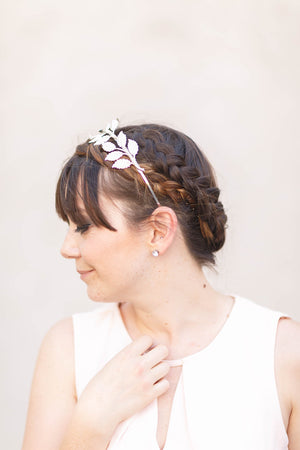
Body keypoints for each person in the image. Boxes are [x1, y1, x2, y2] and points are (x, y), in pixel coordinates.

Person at [22, 119, 300, 450]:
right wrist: (91, 423)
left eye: (83, 226)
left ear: (158, 230)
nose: (67, 249)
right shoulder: (68, 349)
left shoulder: (283, 354)